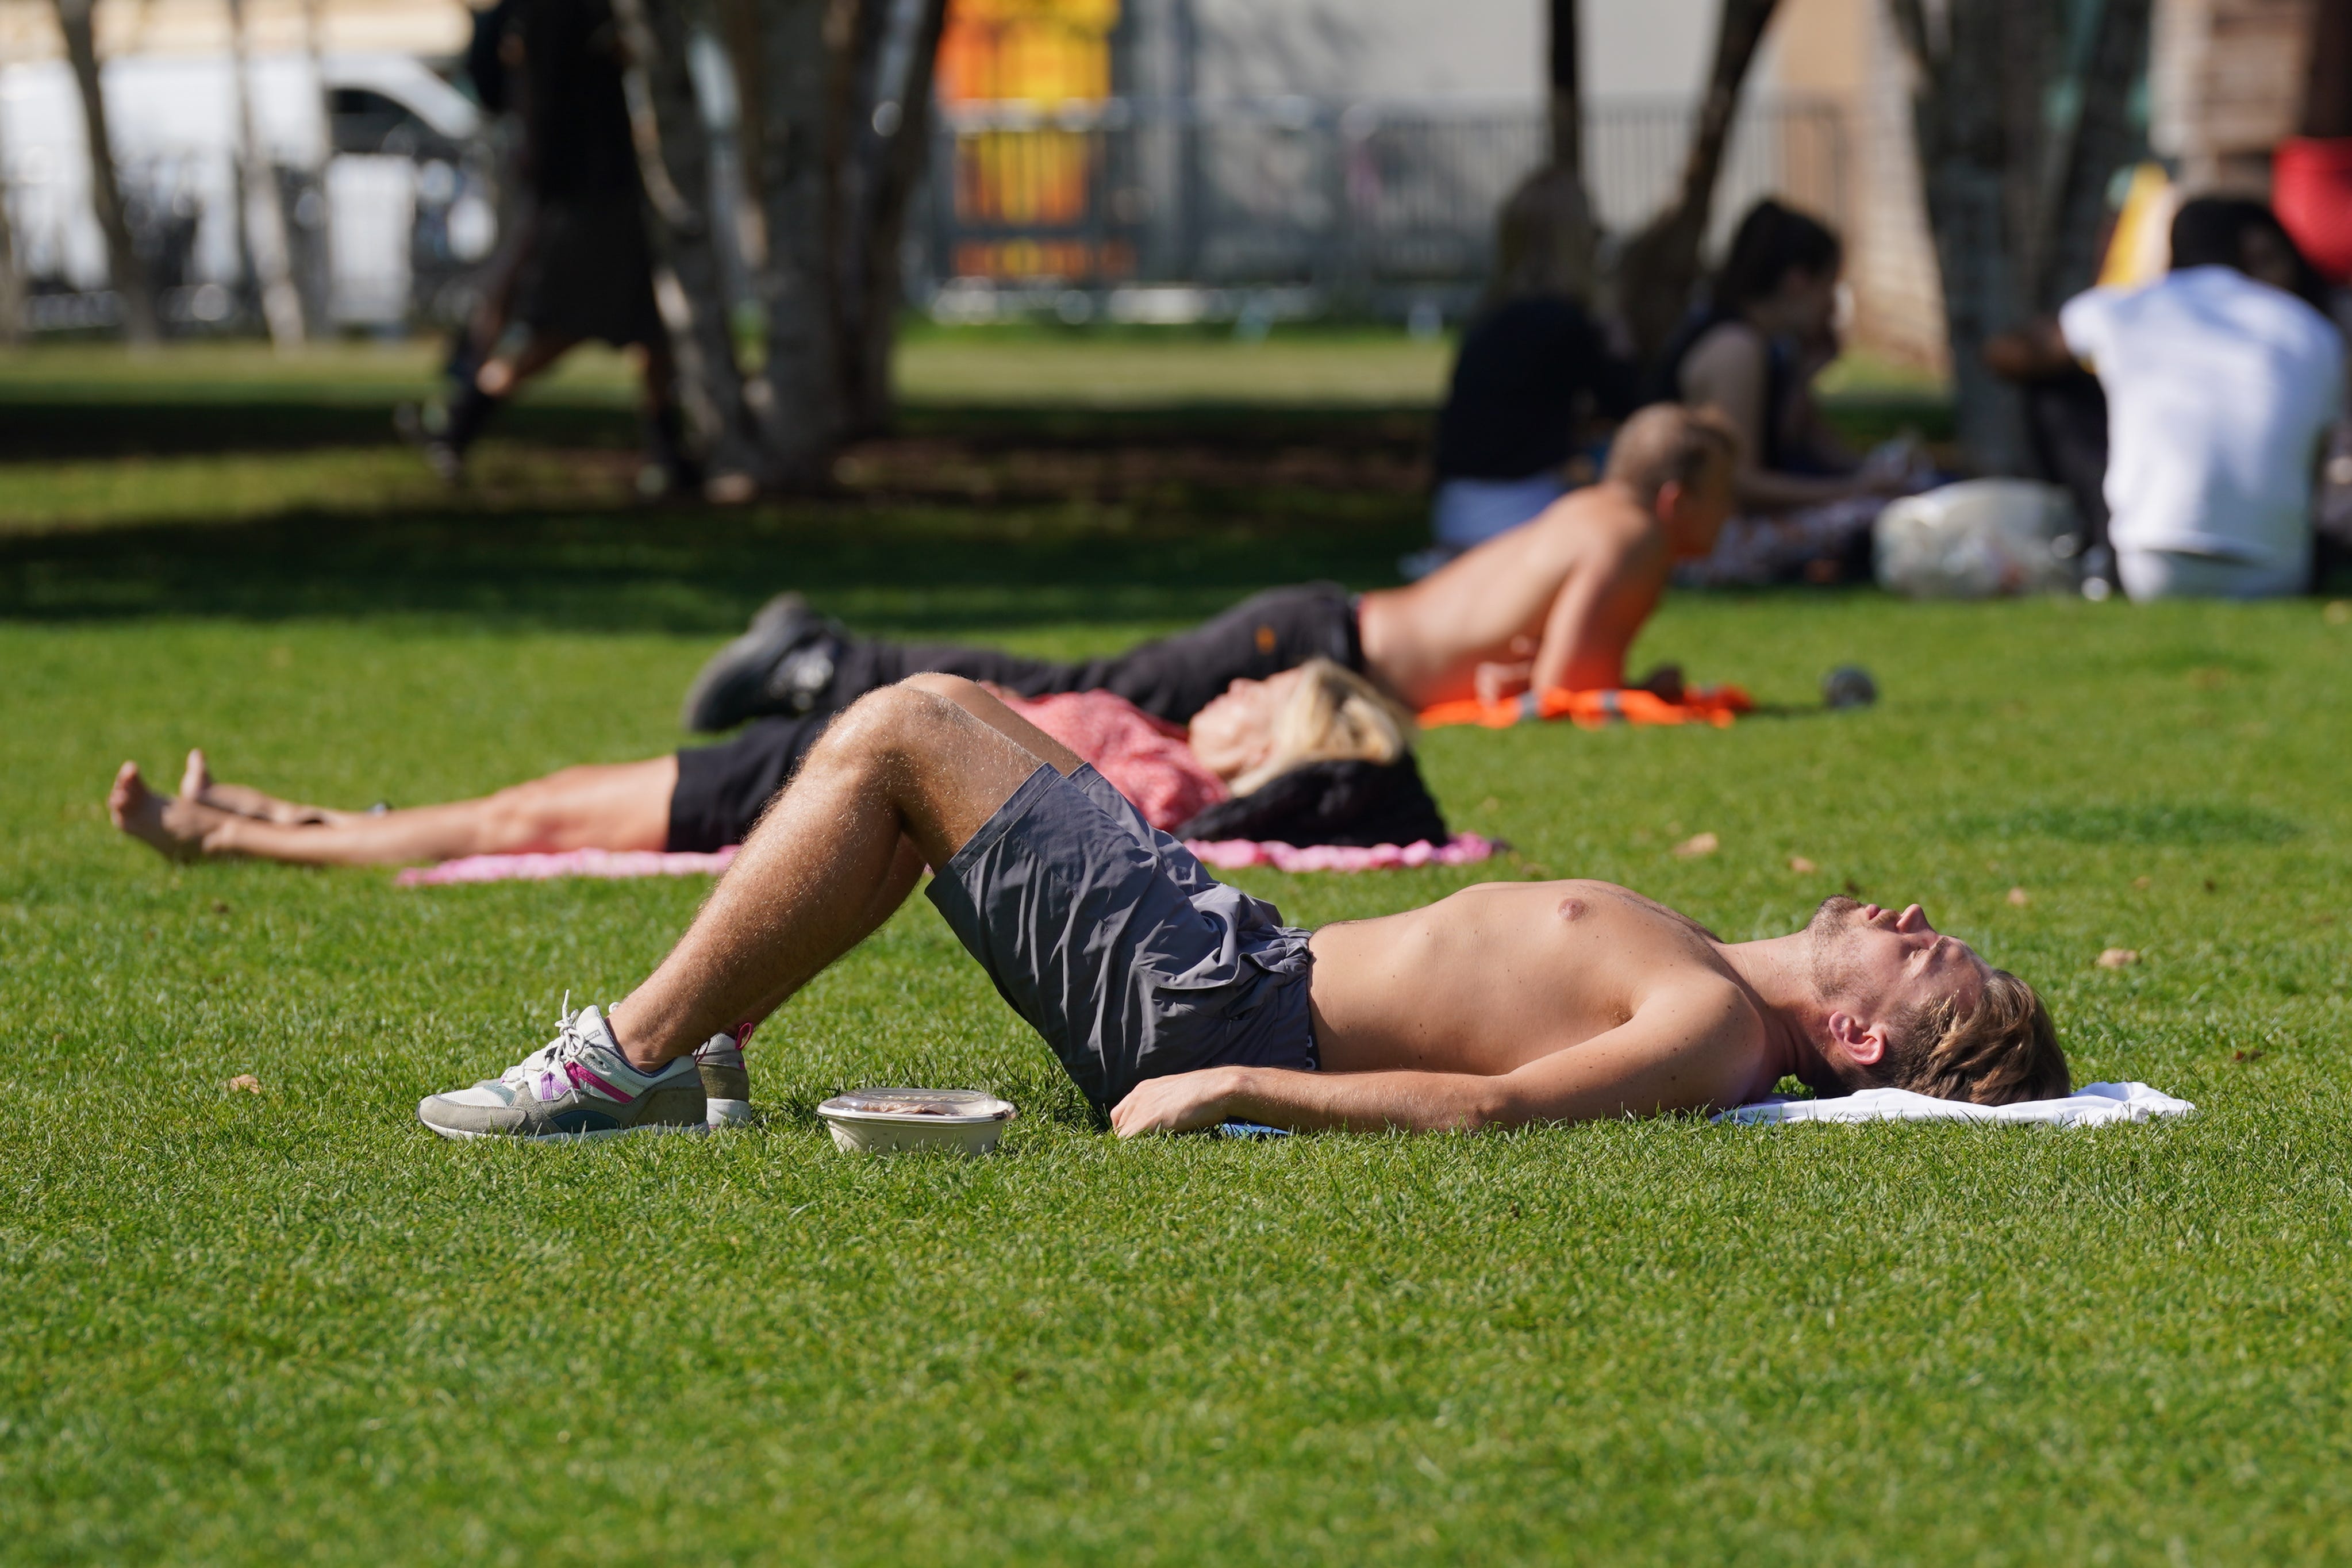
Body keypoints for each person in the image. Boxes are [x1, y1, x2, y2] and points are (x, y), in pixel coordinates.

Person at [401, 673, 2068, 1141]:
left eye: (1925, 956)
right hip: (1233, 949)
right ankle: (711, 1014)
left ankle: (629, 1056)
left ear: (1853, 1035)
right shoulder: (1704, 968)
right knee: (940, 719)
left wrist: (1241, 1086)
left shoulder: (1711, 1025)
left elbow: (1490, 1111)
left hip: (1221, 1010)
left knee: (908, 732)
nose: (1911, 914)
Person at [682, 403, 1739, 735]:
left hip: (1322, 636)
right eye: (1726, 495)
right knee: (1084, 695)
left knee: (1087, 693)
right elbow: (1570, 686)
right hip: (1317, 653)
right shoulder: (1629, 538)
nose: (1730, 518)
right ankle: (830, 663)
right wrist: (1663, 698)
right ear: (1674, 495)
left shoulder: (1590, 509)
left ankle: (835, 665)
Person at [103, 660, 1423, 867]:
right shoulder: (1165, 741)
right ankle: (298, 814)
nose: (1235, 684)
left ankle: (231, 838)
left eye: (1263, 691)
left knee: (535, 811)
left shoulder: (1168, 789)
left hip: (825, 775)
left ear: (1279, 740)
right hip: (831, 739)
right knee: (536, 801)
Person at [1985, 197, 2346, 601]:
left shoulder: (2128, 307)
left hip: (2151, 571)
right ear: (2251, 250)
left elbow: (2010, 355)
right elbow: (2315, 466)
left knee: (2055, 389)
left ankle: (2087, 548)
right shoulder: (2315, 332)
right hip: (2279, 575)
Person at [409, 0, 695, 495]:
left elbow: (488, 82)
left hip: (578, 185)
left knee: (649, 329)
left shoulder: (531, 14)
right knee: (565, 324)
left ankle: (672, 457)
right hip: (587, 190)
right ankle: (460, 423)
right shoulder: (577, 15)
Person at [1652, 199, 1922, 587]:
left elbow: (1805, 448)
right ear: (1797, 281)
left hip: (1722, 533)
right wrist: (1855, 490)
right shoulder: (1736, 349)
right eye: (1830, 285)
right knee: (1878, 513)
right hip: (1705, 544)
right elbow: (1741, 482)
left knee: (1901, 493)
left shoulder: (1771, 349)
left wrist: (1804, 384)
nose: (1833, 304)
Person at [1419, 174, 1640, 570]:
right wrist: (1618, 339)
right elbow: (1631, 408)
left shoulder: (1490, 318)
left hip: (1456, 507)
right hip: (1514, 509)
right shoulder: (1565, 322)